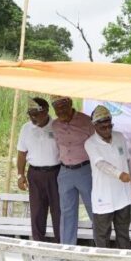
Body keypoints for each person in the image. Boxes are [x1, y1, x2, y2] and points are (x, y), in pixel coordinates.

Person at [84, 105, 131, 261]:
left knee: (123, 232)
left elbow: (127, 160)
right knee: (102, 235)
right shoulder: (90, 143)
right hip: (103, 197)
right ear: (95, 125)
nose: (106, 129)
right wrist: (119, 174)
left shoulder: (119, 137)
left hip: (123, 195)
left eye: (109, 125)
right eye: (102, 126)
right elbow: (100, 164)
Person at [51, 96, 96, 245]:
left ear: (70, 104)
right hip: (65, 172)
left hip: (85, 171)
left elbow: (97, 146)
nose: (60, 112)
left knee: (94, 210)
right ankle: (67, 252)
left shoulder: (87, 121)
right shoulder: (55, 125)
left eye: (63, 107)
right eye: (57, 109)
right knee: (67, 213)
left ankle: (101, 249)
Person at [17, 98, 61, 243]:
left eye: (36, 114)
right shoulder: (26, 128)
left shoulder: (57, 126)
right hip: (34, 174)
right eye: (30, 114)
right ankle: (38, 244)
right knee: (37, 212)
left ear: (46, 111)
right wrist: (20, 175)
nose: (33, 118)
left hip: (56, 173)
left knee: (58, 211)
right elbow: (21, 153)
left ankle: (60, 244)